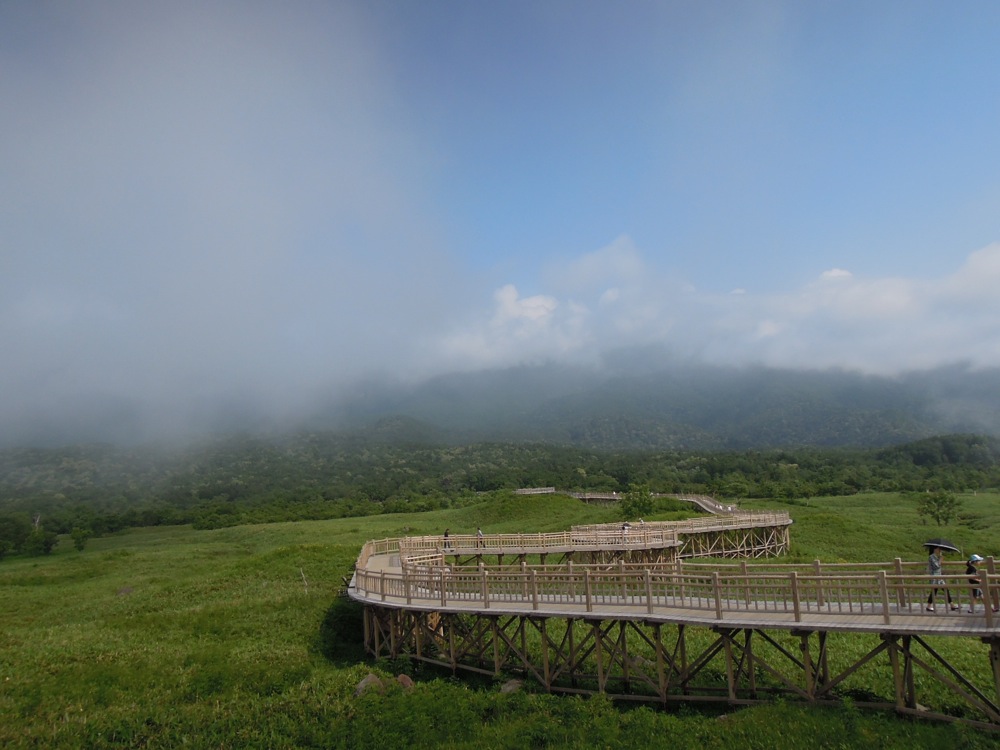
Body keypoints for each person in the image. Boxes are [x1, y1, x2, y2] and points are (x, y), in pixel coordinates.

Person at [926, 546, 958, 612]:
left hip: (939, 577)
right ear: (934, 549)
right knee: (934, 591)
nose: (940, 550)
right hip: (935, 577)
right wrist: (940, 559)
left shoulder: (935, 556)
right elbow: (936, 566)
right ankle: (928, 606)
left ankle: (952, 605)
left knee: (945, 589)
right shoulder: (931, 557)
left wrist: (940, 558)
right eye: (938, 548)